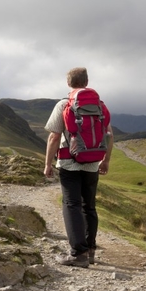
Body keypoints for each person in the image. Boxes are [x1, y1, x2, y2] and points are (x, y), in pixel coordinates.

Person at [43, 67, 113, 268]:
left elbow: (54, 136)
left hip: (68, 163)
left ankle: (78, 254)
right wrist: (106, 160)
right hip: (92, 164)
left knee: (71, 204)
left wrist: (48, 163)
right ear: (87, 81)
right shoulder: (99, 105)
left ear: (68, 83)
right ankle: (90, 250)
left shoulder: (64, 104)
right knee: (89, 206)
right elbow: (109, 135)